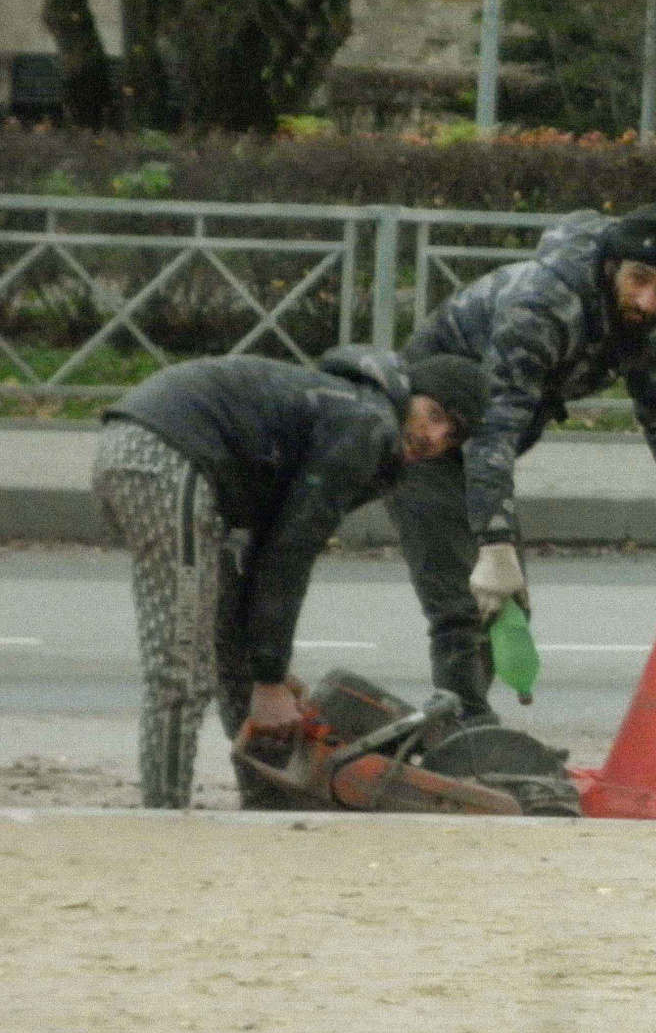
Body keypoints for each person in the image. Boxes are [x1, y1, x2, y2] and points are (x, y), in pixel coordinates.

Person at [390, 202, 656, 725]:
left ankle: (464, 726)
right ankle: (464, 732)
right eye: (639, 279)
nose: (647, 300)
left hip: (479, 445)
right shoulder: (542, 306)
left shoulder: (640, 319)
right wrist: (494, 544)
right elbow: (496, 425)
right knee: (465, 598)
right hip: (421, 436)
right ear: (612, 265)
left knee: (504, 605)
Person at [92, 346, 487, 809]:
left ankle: (267, 803)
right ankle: (164, 817)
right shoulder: (367, 425)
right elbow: (290, 551)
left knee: (232, 654)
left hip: (158, 455)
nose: (435, 437)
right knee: (182, 663)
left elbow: (268, 548)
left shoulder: (355, 412)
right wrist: (270, 681)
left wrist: (267, 668)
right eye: (434, 414)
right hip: (161, 456)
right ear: (410, 393)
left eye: (453, 435)